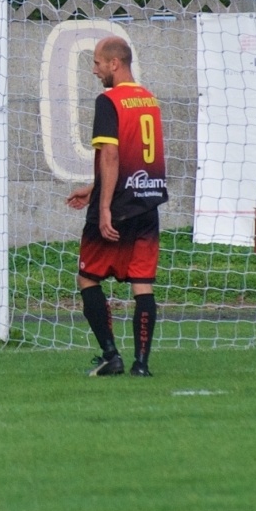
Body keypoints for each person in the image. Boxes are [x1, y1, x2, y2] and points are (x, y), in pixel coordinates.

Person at [65, 37, 167, 377]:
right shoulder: (148, 99)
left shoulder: (109, 100)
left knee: (87, 278)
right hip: (147, 204)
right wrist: (94, 189)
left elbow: (110, 155)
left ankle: (111, 354)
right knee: (142, 283)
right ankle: (142, 365)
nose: (94, 70)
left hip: (117, 207)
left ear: (115, 64)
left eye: (97, 63)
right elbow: (131, 157)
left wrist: (103, 205)